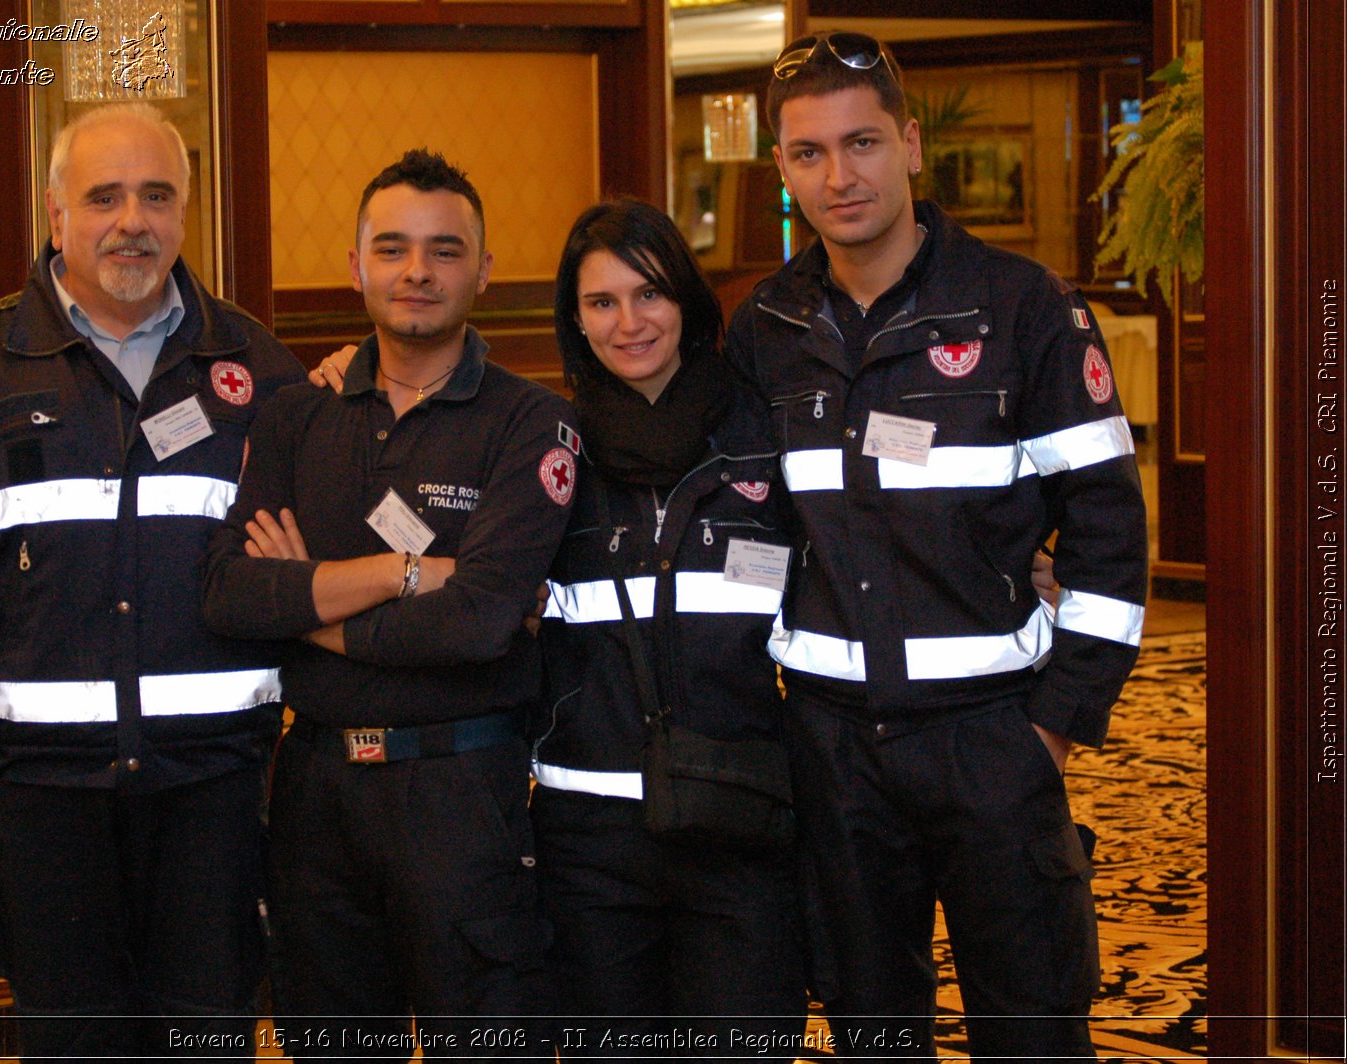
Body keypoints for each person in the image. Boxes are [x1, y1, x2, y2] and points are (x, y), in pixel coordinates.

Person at [725, 32, 1149, 1060]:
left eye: (862, 141)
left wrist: (1053, 730)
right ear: (780, 166)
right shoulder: (764, 329)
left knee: (1033, 1027)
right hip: (831, 747)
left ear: (911, 145)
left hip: (994, 742)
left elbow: (1107, 531)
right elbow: (747, 527)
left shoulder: (1024, 308)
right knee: (872, 1030)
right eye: (810, 151)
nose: (840, 174)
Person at [0, 102, 304, 1061]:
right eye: (103, 197)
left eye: (155, 195)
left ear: (186, 216)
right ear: (56, 216)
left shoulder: (257, 369)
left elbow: (300, 583)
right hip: (39, 806)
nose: (130, 221)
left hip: (215, 801)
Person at [201, 148, 572, 1060]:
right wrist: (406, 571)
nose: (418, 271)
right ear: (357, 265)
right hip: (316, 794)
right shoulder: (295, 416)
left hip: (463, 791)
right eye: (395, 247)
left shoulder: (531, 421)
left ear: (484, 271)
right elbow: (232, 594)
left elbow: (481, 620)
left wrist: (309, 608)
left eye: (446, 250)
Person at [529, 199, 807, 1059]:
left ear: (685, 297)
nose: (628, 322)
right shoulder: (542, 448)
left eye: (647, 294)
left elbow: (863, 546)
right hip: (589, 837)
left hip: (742, 819)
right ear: (575, 320)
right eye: (601, 302)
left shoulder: (765, 435)